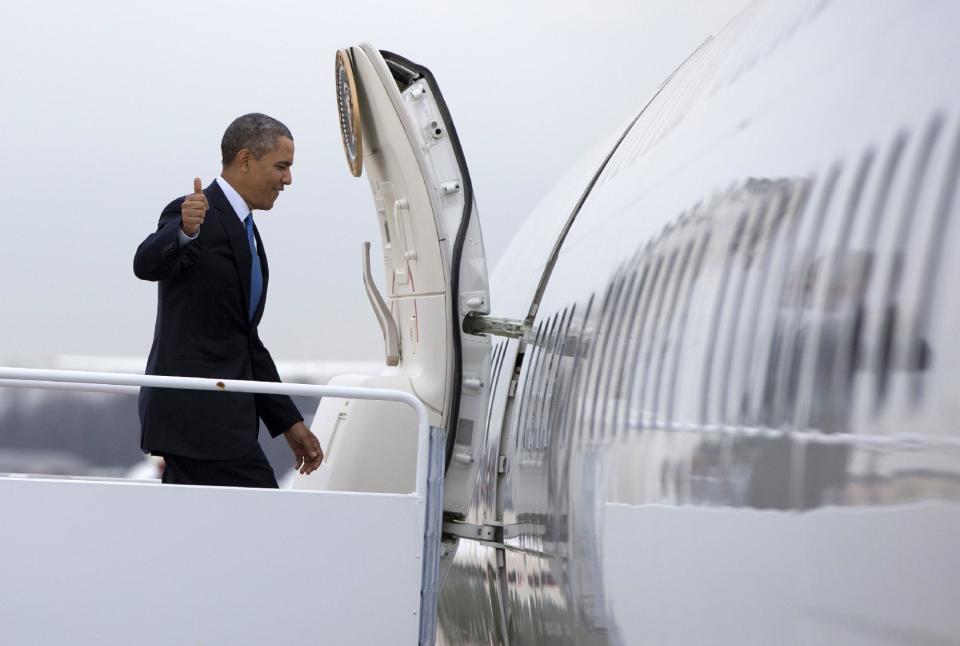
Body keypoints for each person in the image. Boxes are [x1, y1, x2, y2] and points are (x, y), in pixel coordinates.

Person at [133, 113, 323, 487]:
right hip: (196, 420)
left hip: (222, 425)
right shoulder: (193, 212)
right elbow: (146, 263)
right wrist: (185, 231)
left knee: (211, 537)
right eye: (281, 166)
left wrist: (290, 424)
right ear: (246, 160)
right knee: (262, 525)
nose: (288, 179)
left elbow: (243, 339)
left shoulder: (247, 232)